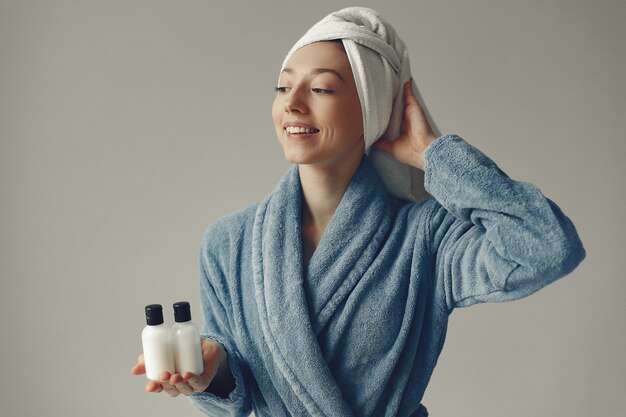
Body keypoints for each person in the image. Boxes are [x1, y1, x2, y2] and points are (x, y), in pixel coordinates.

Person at [131, 7, 585, 417]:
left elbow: (548, 247)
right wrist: (214, 369)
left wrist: (435, 155)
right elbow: (240, 391)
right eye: (283, 86)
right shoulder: (228, 242)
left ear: (372, 107)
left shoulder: (424, 237)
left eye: (322, 87)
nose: (292, 103)